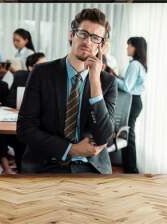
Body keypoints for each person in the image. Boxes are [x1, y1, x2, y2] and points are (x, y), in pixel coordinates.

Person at [17, 8, 118, 174]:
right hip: (47, 162)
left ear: (101, 45)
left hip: (90, 166)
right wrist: (71, 149)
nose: (88, 42)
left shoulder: (107, 82)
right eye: (83, 34)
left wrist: (94, 80)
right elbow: (25, 129)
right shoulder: (42, 73)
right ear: (71, 35)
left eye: (95, 38)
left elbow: (103, 137)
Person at [116, 37, 147, 174]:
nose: (127, 48)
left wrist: (112, 78)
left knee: (127, 134)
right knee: (128, 133)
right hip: (136, 101)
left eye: (129, 45)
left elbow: (127, 87)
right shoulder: (140, 64)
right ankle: (130, 168)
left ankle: (131, 170)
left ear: (135, 47)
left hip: (132, 101)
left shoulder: (134, 64)